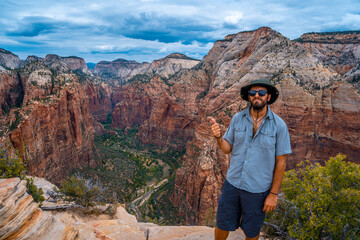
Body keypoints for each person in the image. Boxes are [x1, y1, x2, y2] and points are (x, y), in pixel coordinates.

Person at [210, 79, 292, 240]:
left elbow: (281, 162)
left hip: (258, 190)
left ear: (268, 97)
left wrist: (273, 194)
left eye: (261, 93)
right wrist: (219, 137)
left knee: (252, 230)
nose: (257, 96)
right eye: (252, 93)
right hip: (232, 183)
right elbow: (227, 148)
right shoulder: (237, 119)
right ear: (248, 97)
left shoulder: (279, 126)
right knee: (222, 223)